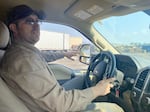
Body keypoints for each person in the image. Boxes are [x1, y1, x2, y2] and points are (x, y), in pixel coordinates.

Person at [0, 5, 124, 112]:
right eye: (30, 21)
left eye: (37, 21)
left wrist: (64, 54)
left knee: (81, 79)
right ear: (13, 28)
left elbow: (41, 57)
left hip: (47, 104)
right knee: (114, 108)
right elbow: (60, 105)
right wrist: (97, 90)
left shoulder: (21, 52)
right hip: (55, 107)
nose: (36, 26)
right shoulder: (23, 59)